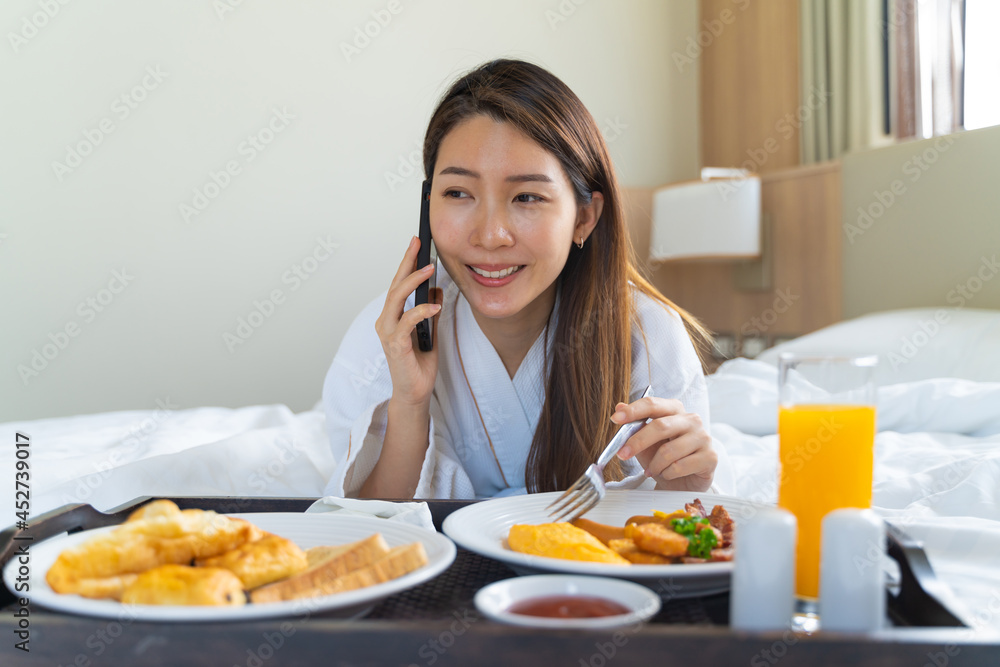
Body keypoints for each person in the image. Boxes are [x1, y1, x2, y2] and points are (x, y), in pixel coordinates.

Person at [322, 59, 733, 499]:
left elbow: (680, 527)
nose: (490, 235)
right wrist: (410, 401)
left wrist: (685, 490)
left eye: (527, 197)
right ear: (427, 205)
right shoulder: (387, 337)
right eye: (458, 193)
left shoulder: (649, 337)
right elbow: (370, 532)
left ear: (585, 218)